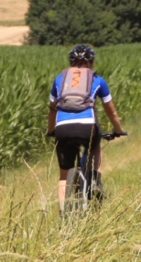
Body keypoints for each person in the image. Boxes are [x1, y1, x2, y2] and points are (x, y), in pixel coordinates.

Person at [47, 44, 126, 212]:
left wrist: (51, 130)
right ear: (91, 62)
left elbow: (52, 108)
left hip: (62, 127)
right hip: (87, 127)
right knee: (95, 145)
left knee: (63, 175)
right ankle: (95, 180)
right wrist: (118, 130)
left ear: (70, 61)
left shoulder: (60, 79)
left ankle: (63, 215)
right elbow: (110, 110)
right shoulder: (97, 79)